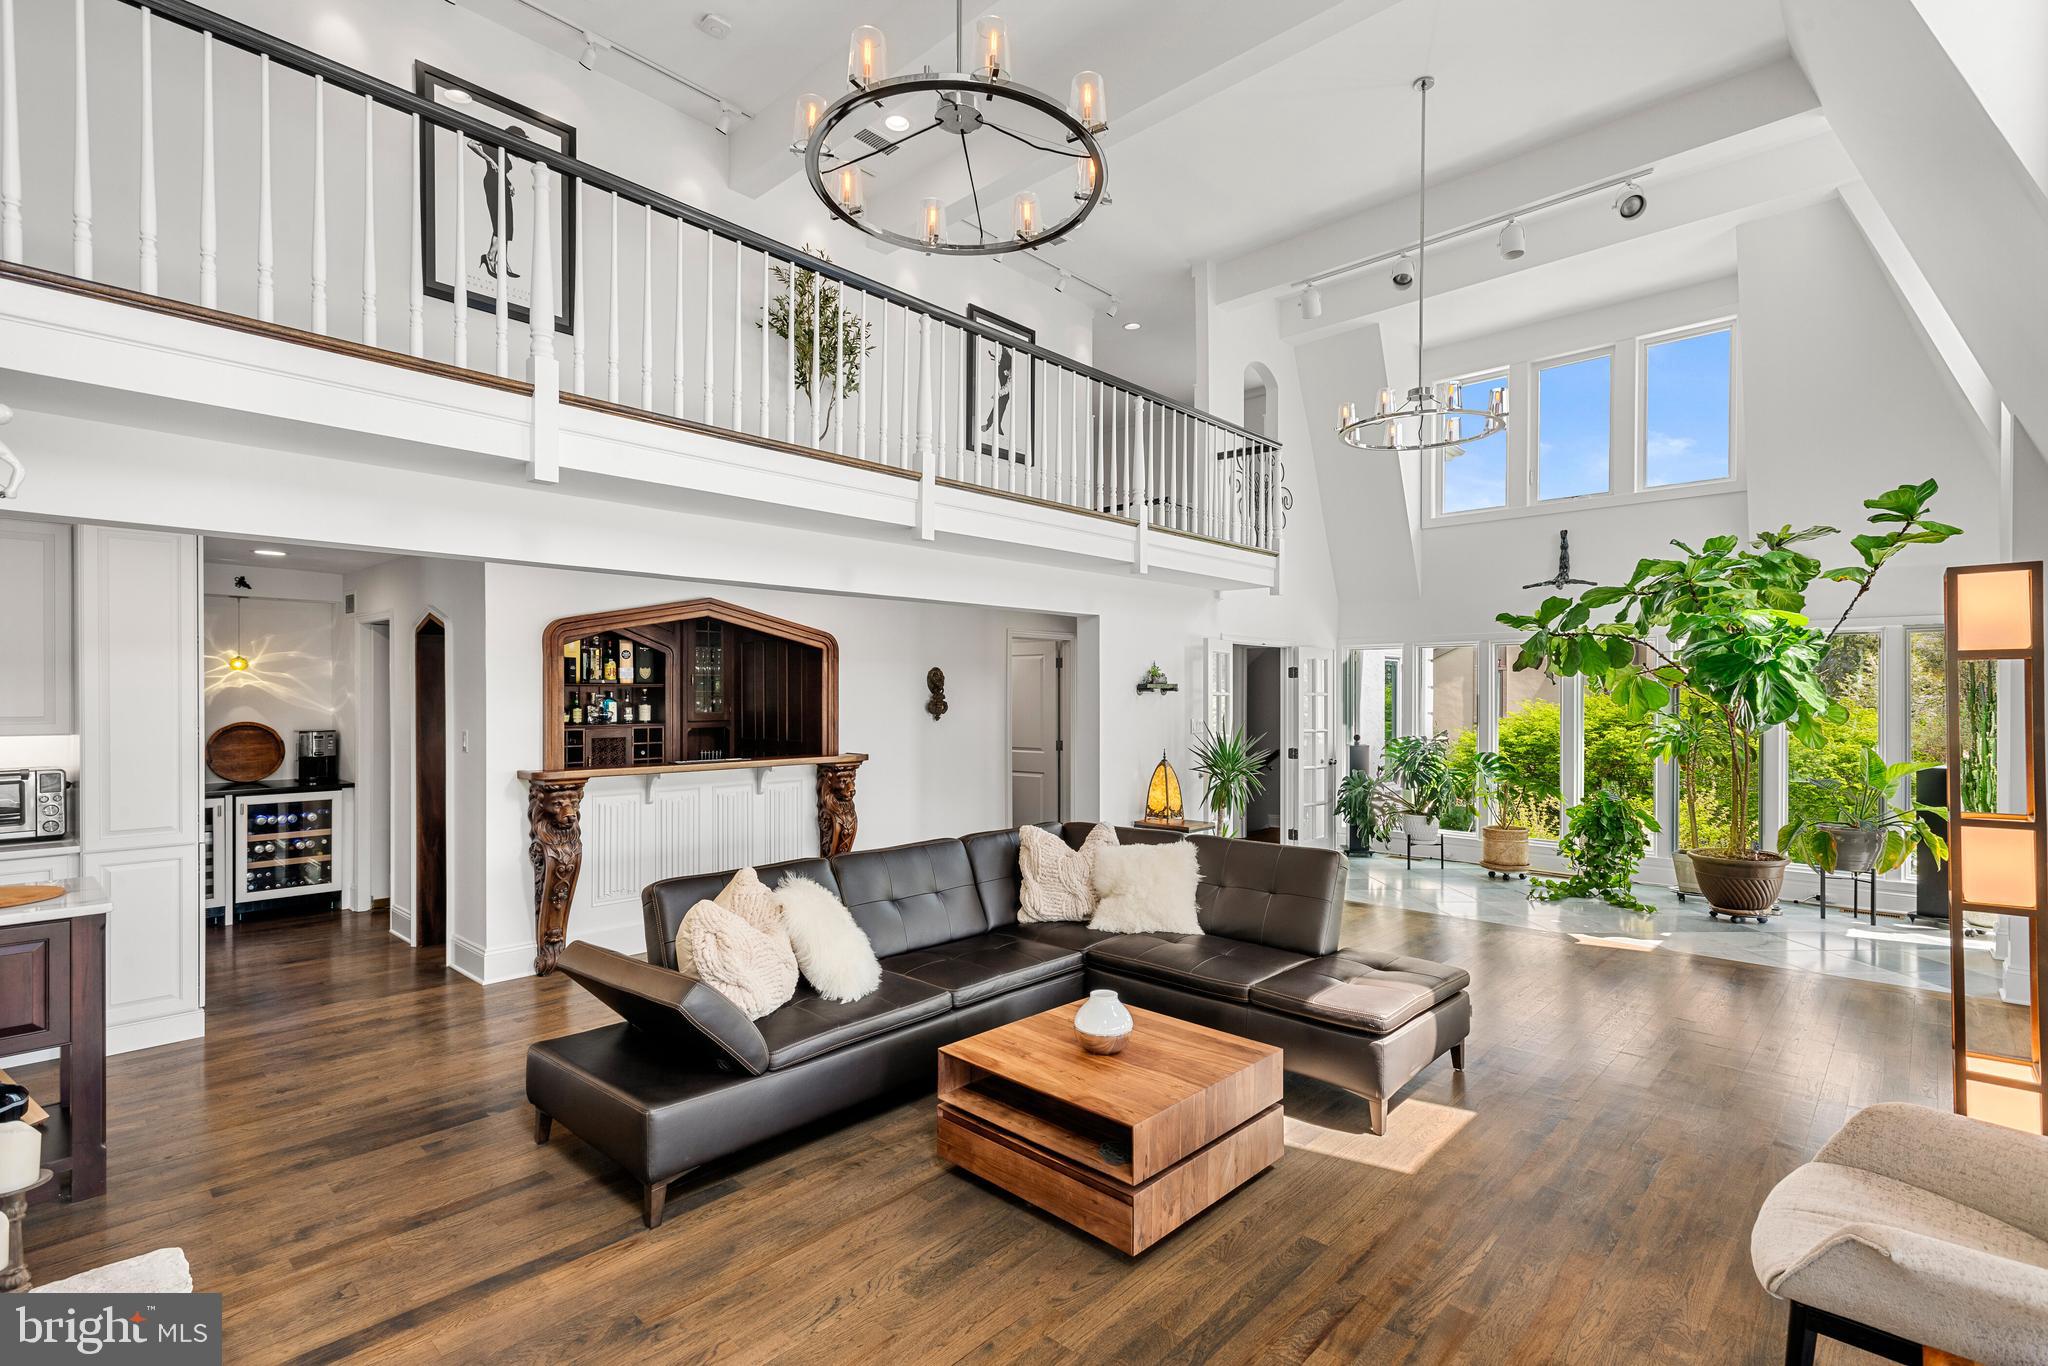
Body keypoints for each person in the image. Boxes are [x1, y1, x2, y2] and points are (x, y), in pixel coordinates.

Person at [468, 127, 525, 281]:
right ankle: (491, 257)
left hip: (502, 185)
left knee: (507, 224)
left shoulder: (503, 150)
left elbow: (500, 171)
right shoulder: (491, 139)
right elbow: (471, 143)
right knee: (500, 223)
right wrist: (489, 159)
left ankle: (501, 260)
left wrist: (509, 183)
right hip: (492, 184)